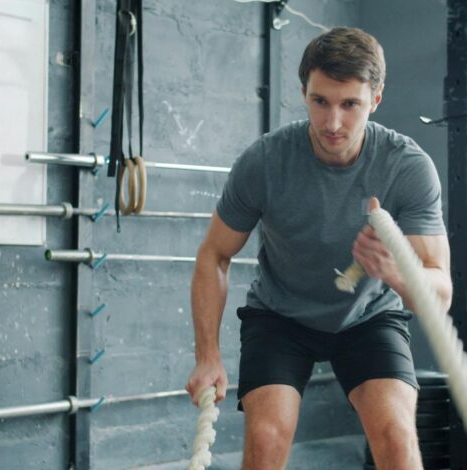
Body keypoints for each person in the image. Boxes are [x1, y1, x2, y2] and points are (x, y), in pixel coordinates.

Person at [185, 26, 452, 470]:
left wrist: (396, 271)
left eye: (350, 105)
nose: (332, 123)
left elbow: (438, 295)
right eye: (320, 101)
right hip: (280, 318)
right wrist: (207, 357)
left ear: (376, 100)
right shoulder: (265, 162)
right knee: (267, 440)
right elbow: (214, 255)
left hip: (368, 316)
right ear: (304, 92)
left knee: (397, 439)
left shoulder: (406, 167)